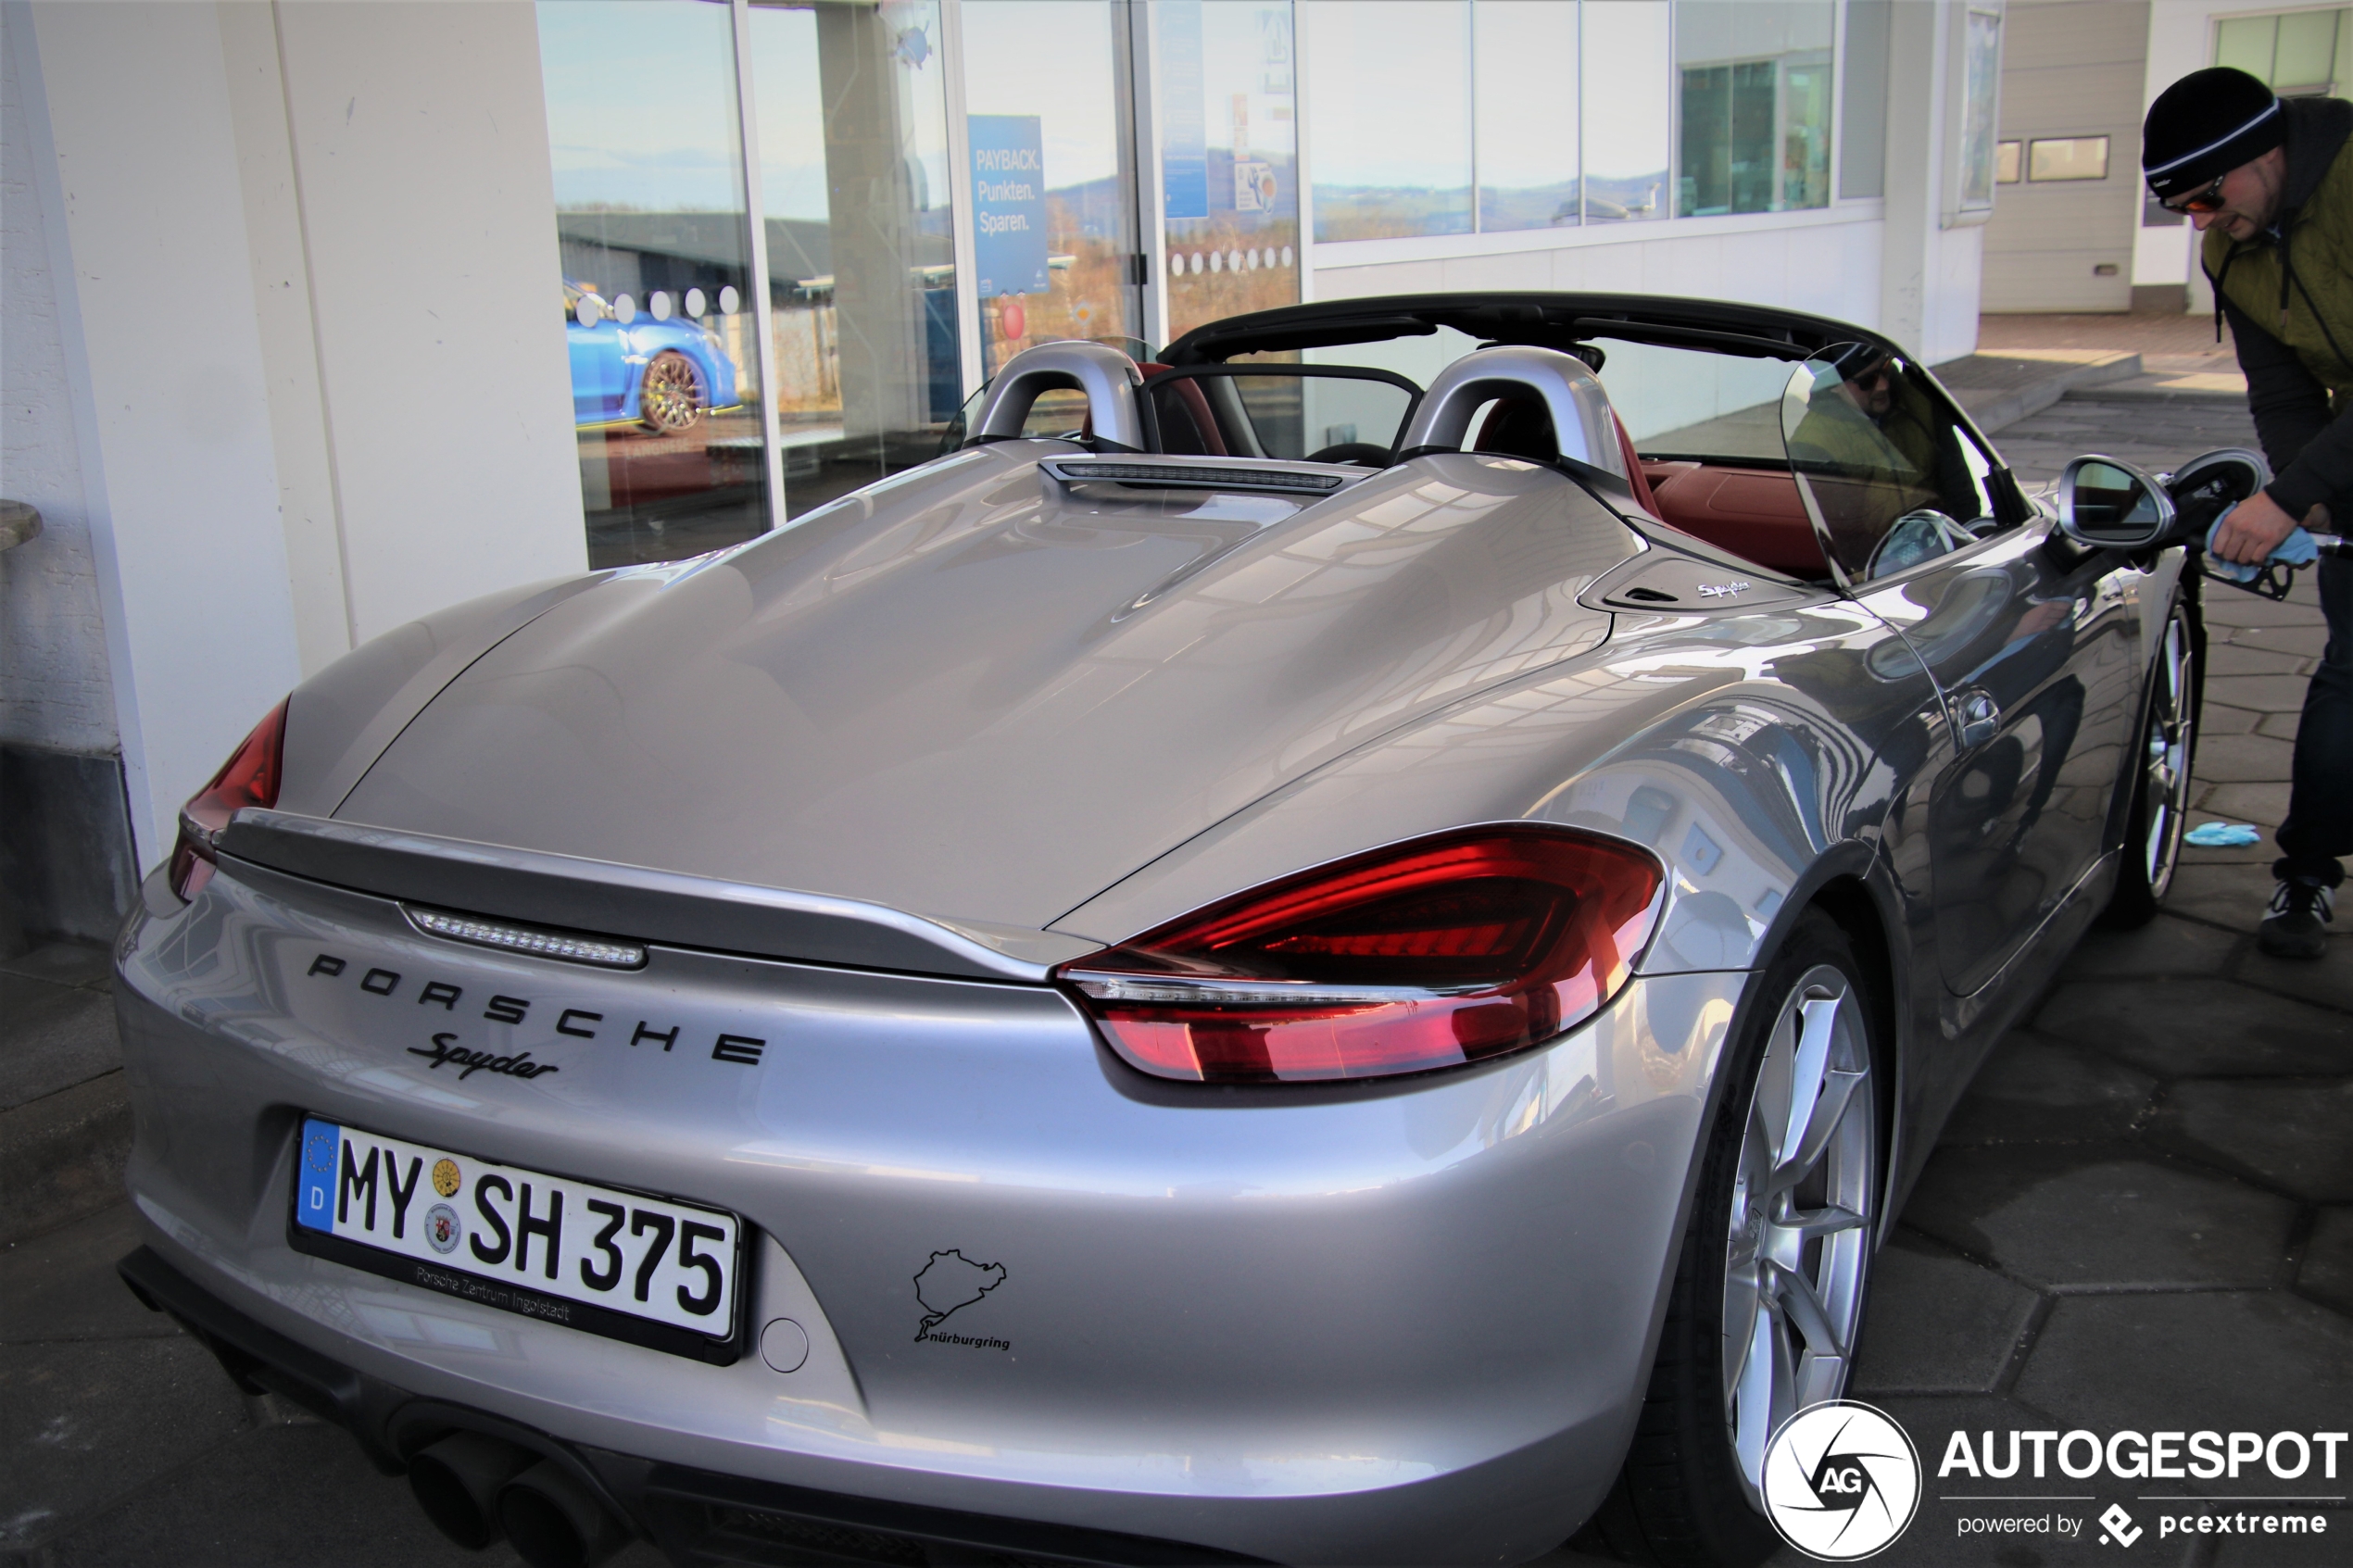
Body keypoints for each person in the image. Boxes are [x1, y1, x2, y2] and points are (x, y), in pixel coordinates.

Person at [2144, 67, 2352, 959]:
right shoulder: (2233, 245)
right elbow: (2281, 387)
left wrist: (2283, 498)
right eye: (2182, 207)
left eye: (2206, 196)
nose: (2202, 220)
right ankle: (2304, 877)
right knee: (2349, 675)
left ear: (2259, 155)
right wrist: (2310, 491)